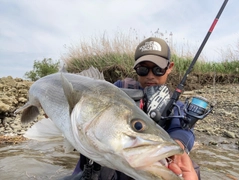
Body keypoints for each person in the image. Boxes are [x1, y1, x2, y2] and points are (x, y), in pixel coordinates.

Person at [70, 37, 199, 180]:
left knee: (192, 170)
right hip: (97, 165)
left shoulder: (175, 106)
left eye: (158, 69)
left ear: (169, 67)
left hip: (137, 161)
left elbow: (182, 130)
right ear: (135, 68)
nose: (150, 76)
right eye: (143, 69)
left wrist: (178, 145)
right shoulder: (117, 89)